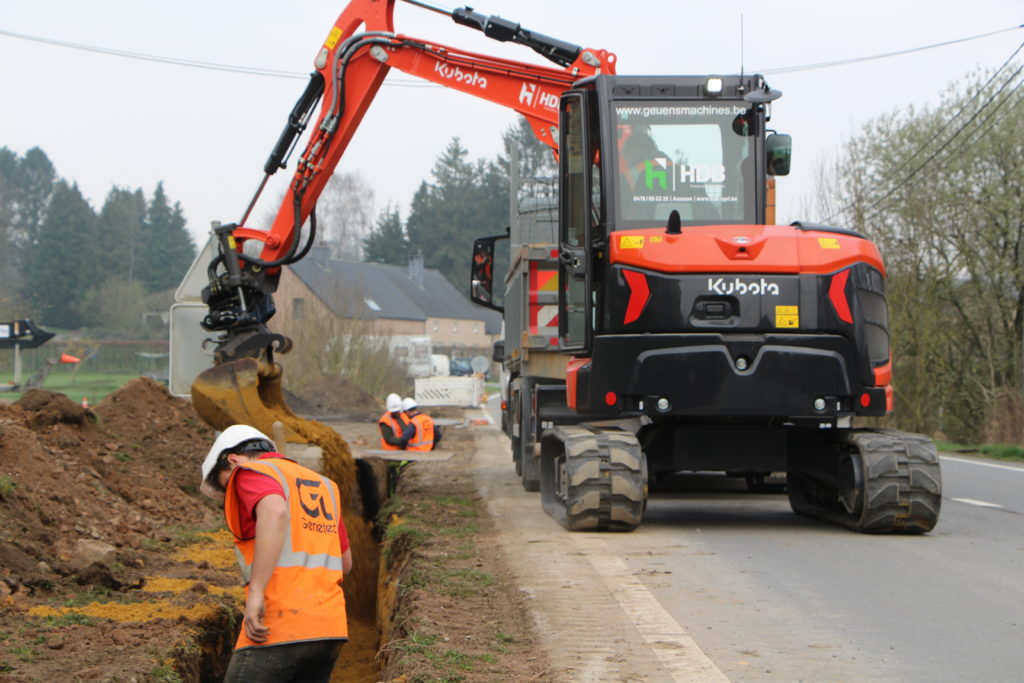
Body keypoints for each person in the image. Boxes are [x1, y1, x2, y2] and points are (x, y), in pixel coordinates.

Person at [200, 424, 351, 683]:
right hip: (330, 628)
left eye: (227, 485)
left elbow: (275, 510)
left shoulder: (249, 472)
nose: (232, 494)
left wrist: (257, 592)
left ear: (233, 461)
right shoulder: (324, 485)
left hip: (278, 627)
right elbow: (345, 563)